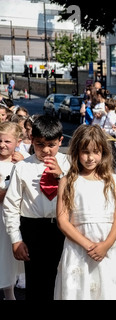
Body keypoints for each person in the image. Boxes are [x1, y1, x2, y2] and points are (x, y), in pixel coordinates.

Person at [53, 124, 116, 300]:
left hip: (109, 246)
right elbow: (62, 220)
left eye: (96, 152)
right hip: (78, 248)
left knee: (110, 291)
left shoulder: (113, 180)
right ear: (76, 152)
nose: (90, 157)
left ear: (103, 153)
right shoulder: (67, 181)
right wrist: (88, 245)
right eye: (85, 152)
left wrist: (105, 245)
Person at [3, 115, 70, 300]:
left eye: (51, 144)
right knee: (37, 281)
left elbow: (78, 197)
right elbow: (11, 205)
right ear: (31, 140)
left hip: (64, 227)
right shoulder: (23, 167)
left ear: (60, 141)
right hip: (33, 228)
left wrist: (62, 176)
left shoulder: (69, 164)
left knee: (64, 280)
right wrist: (16, 239)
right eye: (40, 144)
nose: (46, 150)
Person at [0, 122, 26, 300]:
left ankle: (9, 293)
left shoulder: (21, 163)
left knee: (7, 256)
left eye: (7, 141)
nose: (2, 145)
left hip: (9, 217)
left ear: (18, 142)